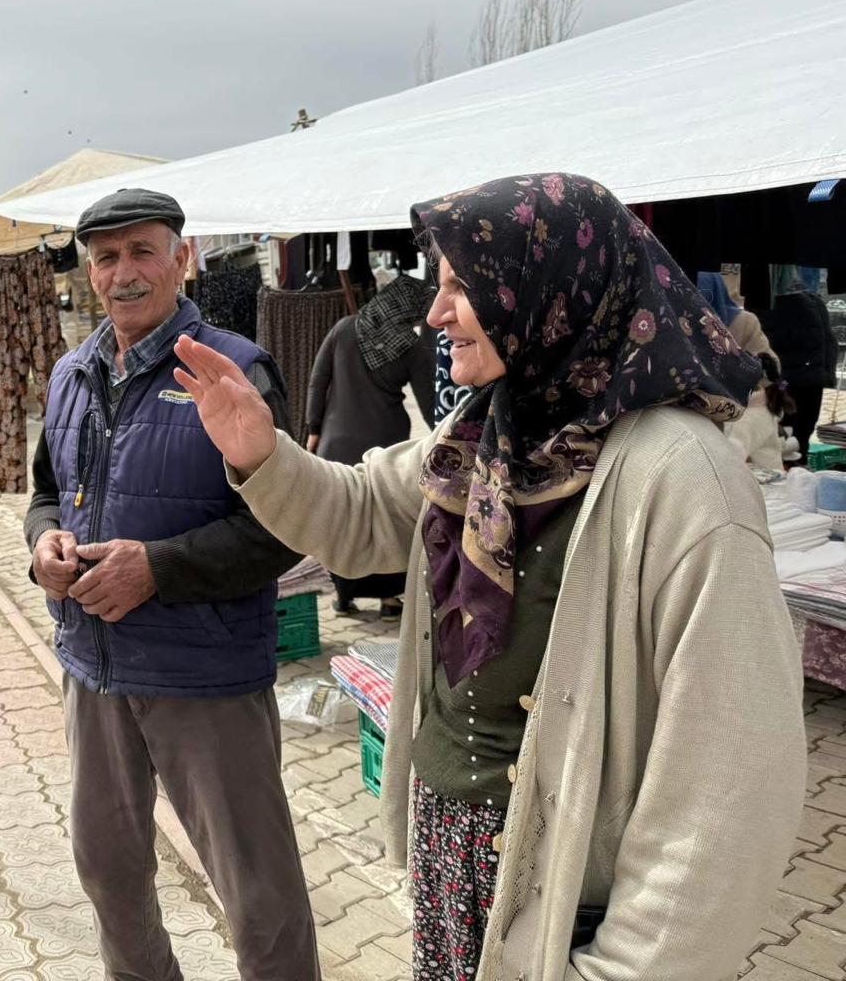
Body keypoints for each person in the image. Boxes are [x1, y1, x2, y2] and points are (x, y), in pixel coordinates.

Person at [175, 173, 804, 981]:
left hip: (568, 902)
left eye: (460, 287)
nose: (435, 315)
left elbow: (729, 789)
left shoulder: (685, 482)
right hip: (458, 869)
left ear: (545, 289)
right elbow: (364, 513)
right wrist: (261, 454)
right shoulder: (491, 431)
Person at [25, 189, 316, 980]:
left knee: (258, 896)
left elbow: (282, 527)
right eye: (107, 257)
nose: (124, 273)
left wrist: (158, 569)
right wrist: (42, 542)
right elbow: (47, 493)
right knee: (109, 871)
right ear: (90, 273)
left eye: (142, 251)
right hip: (94, 670)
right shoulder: (71, 375)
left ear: (182, 258)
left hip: (206, 675)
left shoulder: (236, 369)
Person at [304, 274, 437, 617]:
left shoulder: (345, 327)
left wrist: (314, 430)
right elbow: (429, 406)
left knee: (339, 519)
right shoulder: (412, 346)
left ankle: (344, 595)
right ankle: (389, 599)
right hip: (384, 446)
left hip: (335, 441)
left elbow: (318, 381)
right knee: (385, 520)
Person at [699, 271, 788, 470]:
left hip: (736, 422)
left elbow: (770, 367)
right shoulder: (677, 322)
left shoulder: (743, 322)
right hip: (695, 424)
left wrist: (742, 370)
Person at [758, 265, 838, 460]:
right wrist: (826, 376)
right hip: (808, 384)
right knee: (800, 435)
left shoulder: (763, 306)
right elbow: (829, 344)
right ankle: (796, 470)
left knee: (780, 435)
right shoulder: (814, 304)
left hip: (782, 384)